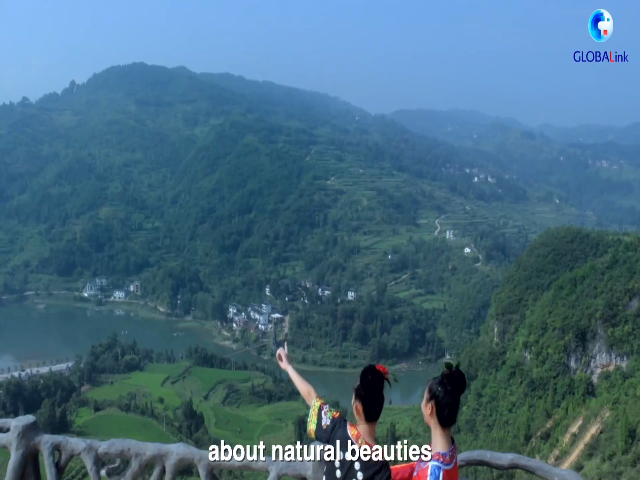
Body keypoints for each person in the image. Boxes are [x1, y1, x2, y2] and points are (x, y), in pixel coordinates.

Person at [276, 342, 392, 480]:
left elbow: (311, 397)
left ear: (357, 409)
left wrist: (288, 367)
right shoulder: (382, 468)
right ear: (382, 403)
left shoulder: (338, 429)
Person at [390, 363, 466, 480]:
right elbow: (417, 467)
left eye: (424, 399)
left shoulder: (434, 474)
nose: (422, 404)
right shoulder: (447, 448)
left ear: (430, 408)